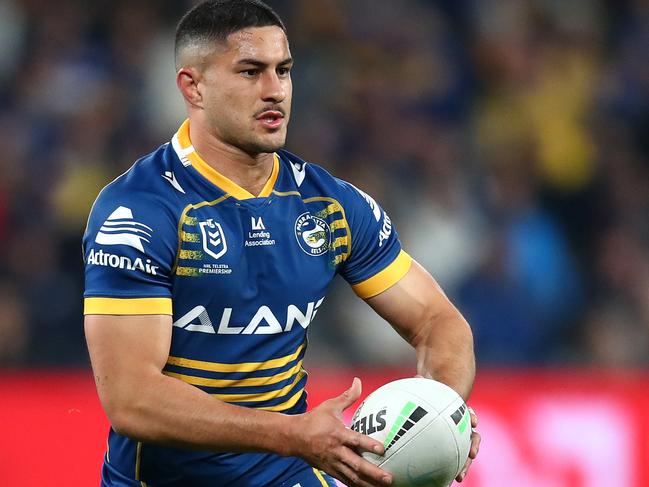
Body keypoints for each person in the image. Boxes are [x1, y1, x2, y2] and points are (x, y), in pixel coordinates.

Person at [83, 1, 480, 486]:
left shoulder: (328, 204)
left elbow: (440, 323)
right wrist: (291, 435)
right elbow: (131, 399)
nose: (275, 91)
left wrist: (440, 411)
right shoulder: (140, 211)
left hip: (289, 474)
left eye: (284, 70)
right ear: (194, 86)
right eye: (250, 71)